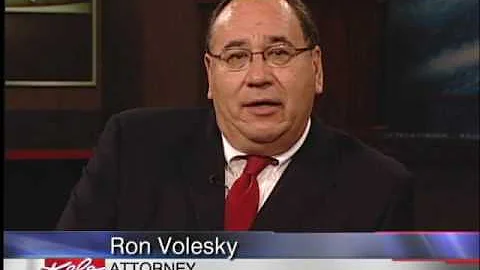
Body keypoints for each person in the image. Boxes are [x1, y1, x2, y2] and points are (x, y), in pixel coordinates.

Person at [57, 0, 414, 231]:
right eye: (235, 57)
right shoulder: (132, 146)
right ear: (210, 76)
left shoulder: (377, 187)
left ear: (317, 69)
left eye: (279, 53)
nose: (258, 77)